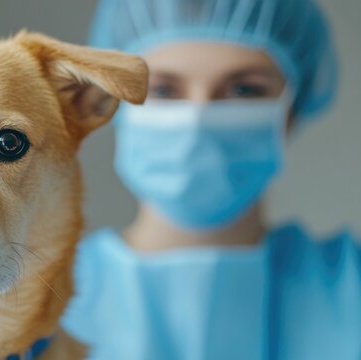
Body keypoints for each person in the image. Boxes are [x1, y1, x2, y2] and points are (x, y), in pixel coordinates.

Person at [61, 0, 360, 359]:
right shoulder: (36, 303)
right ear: (111, 101)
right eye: (163, 90)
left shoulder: (350, 292)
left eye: (244, 90)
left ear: (291, 112)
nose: (197, 118)